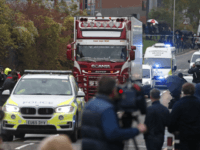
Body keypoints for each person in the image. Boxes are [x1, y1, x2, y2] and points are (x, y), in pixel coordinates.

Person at [81, 76, 147, 150]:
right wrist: (137, 130)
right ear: (112, 90)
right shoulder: (107, 109)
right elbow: (113, 134)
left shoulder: (89, 104)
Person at [168, 83, 200, 150]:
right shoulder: (198, 103)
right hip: (197, 137)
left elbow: (172, 121)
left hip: (182, 137)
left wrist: (172, 130)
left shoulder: (178, 104)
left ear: (183, 91)